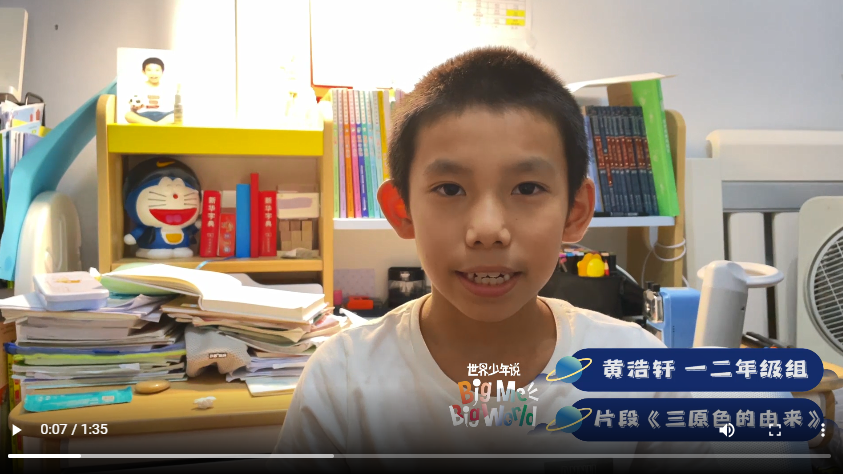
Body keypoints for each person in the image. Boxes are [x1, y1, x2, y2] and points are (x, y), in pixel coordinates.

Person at [272, 47, 717, 473]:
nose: (487, 229)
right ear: (402, 210)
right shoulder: (343, 378)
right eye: (450, 189)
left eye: (527, 188)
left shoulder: (638, 369)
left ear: (575, 212)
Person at [125, 57, 175, 125]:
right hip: (144, 115)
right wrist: (134, 107)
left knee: (175, 116)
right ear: (143, 71)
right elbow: (133, 106)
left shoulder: (168, 87)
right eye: (149, 70)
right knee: (128, 115)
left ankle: (156, 125)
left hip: (164, 115)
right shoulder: (139, 87)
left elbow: (174, 105)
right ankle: (154, 125)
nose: (153, 73)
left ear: (162, 72)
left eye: (157, 70)